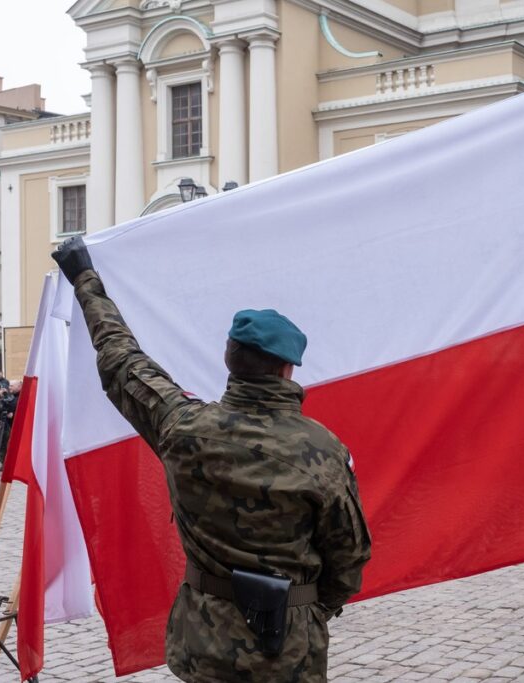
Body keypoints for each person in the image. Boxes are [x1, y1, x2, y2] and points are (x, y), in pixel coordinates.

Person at [52, 236, 371, 683]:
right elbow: (349, 558)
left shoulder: (183, 428)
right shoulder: (322, 450)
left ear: (229, 359)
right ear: (287, 369)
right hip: (288, 648)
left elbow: (121, 359)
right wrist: (311, 606)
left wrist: (84, 277)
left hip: (204, 642)